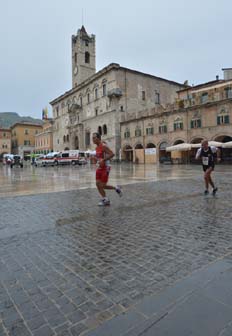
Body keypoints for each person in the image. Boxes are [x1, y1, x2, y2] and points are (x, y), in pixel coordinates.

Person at [92, 132, 122, 206]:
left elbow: (112, 154)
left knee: (102, 185)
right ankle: (105, 198)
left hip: (106, 167)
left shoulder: (103, 146)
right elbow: (99, 158)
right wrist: (94, 158)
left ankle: (114, 190)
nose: (93, 139)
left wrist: (104, 160)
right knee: (97, 184)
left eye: (94, 138)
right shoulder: (96, 148)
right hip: (99, 167)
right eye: (92, 138)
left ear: (98, 138)